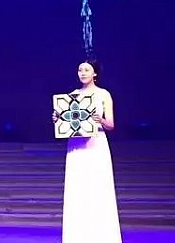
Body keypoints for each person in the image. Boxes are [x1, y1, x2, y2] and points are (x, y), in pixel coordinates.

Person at [52, 60, 121, 243]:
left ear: (94, 73)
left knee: (98, 188)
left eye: (86, 70)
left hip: (96, 144)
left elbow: (111, 125)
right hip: (77, 145)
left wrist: (100, 120)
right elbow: (67, 122)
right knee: (78, 190)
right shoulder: (72, 96)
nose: (82, 73)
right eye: (80, 70)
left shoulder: (103, 94)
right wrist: (59, 118)